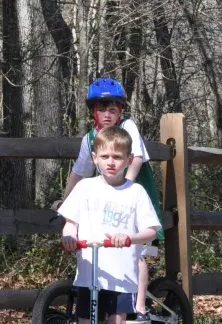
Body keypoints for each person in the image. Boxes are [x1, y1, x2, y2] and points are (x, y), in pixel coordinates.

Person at [60, 78, 161, 321]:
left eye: (112, 109)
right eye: (101, 108)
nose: (106, 114)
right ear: (93, 111)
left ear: (120, 111)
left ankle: (139, 307)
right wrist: (65, 204)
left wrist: (127, 184)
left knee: (141, 253)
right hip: (94, 260)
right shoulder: (90, 140)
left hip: (134, 189)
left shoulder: (128, 127)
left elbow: (135, 157)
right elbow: (78, 171)